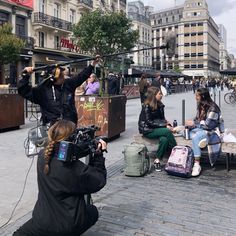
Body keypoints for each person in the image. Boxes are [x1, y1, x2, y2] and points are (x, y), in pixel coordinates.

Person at [13, 119, 107, 236]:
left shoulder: (43, 156)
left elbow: (63, 155)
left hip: (42, 221)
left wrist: (80, 149)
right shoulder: (75, 169)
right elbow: (98, 179)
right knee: (93, 211)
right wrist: (98, 155)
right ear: (71, 142)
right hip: (68, 225)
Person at [18, 57, 100, 126]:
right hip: (51, 128)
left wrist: (92, 64)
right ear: (53, 78)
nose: (64, 77)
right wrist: (26, 76)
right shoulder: (42, 90)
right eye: (61, 76)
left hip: (69, 124)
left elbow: (81, 76)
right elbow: (23, 90)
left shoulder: (68, 84)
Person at [185, 87, 224, 177]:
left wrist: (194, 123)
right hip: (201, 129)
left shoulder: (213, 108)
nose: (195, 97)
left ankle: (197, 164)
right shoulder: (200, 105)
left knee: (195, 137)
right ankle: (203, 141)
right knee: (185, 131)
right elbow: (197, 118)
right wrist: (191, 123)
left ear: (203, 96)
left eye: (197, 95)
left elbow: (208, 125)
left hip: (211, 131)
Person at [138, 86, 177, 171]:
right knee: (167, 132)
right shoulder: (147, 106)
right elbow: (149, 122)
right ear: (154, 95)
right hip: (147, 129)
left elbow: (162, 119)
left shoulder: (160, 105)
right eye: (160, 93)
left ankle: (157, 160)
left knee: (164, 140)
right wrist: (165, 126)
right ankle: (177, 153)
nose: (162, 95)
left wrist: (167, 123)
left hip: (156, 128)